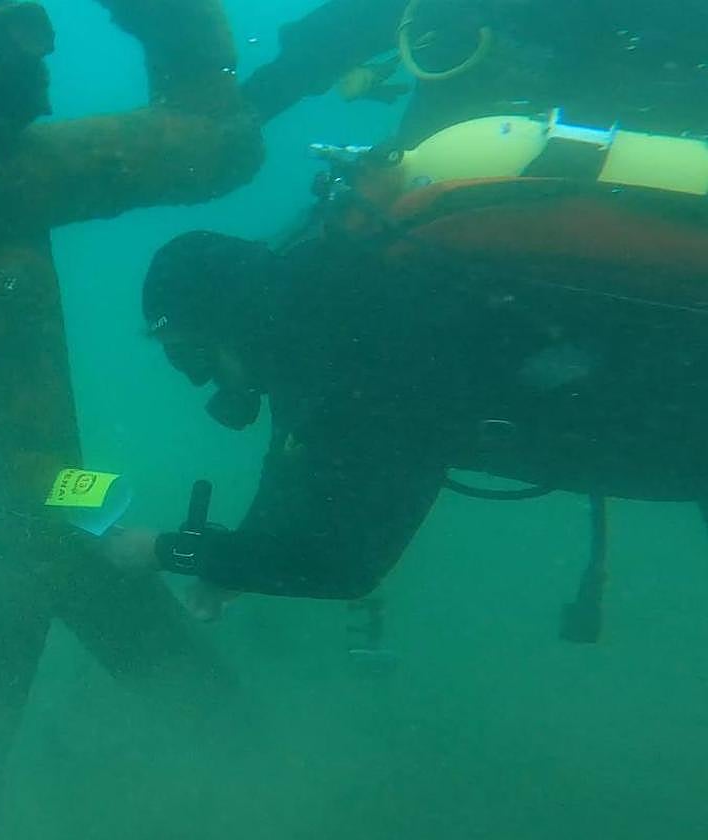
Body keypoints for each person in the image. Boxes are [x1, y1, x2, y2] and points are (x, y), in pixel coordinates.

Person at [105, 113, 708, 619]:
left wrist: (165, 551)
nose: (199, 378)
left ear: (225, 321)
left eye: (189, 352)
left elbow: (342, 566)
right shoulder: (332, 292)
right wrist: (233, 563)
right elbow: (294, 455)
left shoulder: (352, 360)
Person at [243, 0, 708, 145]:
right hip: (459, 219)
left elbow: (315, 53)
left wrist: (228, 119)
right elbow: (316, 52)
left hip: (455, 226)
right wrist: (227, 118)